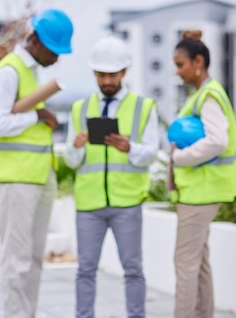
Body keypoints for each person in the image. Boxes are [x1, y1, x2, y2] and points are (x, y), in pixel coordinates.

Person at [0, 8, 74, 318]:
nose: (58, 59)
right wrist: (34, 115)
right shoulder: (9, 71)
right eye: (55, 50)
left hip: (38, 176)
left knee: (33, 259)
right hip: (17, 178)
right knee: (17, 260)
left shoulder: (32, 72)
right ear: (35, 41)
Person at [64, 36, 159, 318]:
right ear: (94, 73)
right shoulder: (79, 109)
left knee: (133, 269)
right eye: (102, 74)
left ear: (124, 72)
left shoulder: (144, 107)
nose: (107, 80)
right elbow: (70, 159)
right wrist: (76, 146)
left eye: (112, 74)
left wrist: (129, 147)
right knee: (85, 270)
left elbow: (152, 153)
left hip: (127, 202)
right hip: (89, 203)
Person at [169, 30, 236, 318]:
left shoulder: (209, 95)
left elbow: (217, 141)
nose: (177, 72)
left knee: (185, 264)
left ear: (198, 61)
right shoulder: (205, 93)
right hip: (202, 191)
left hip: (201, 192)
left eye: (180, 65)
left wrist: (179, 158)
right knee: (198, 263)